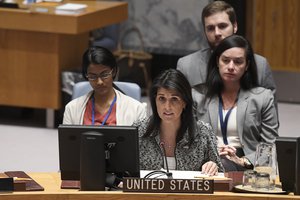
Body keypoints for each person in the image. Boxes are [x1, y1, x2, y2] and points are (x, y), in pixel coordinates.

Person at [192, 35, 279, 171]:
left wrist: (242, 160)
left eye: (238, 62)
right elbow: (188, 138)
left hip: (246, 163)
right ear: (217, 61)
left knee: (226, 165)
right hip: (205, 161)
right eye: (225, 60)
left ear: (247, 65)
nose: (231, 67)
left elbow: (269, 145)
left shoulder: (262, 97)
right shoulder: (198, 95)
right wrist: (213, 152)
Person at [176, 1, 276, 100]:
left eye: (222, 26)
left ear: (235, 26)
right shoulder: (187, 66)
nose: (217, 33)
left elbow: (269, 112)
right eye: (210, 28)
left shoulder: (260, 65)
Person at [133, 69, 223, 176]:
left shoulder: (203, 132)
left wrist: (212, 166)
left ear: (185, 102)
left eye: (174, 99)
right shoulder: (138, 130)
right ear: (154, 101)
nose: (167, 107)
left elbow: (220, 174)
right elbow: (124, 173)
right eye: (162, 98)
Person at [63, 46, 147, 125]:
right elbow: (67, 140)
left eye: (104, 75)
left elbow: (142, 140)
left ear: (113, 72)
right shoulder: (71, 108)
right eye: (93, 76)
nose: (99, 82)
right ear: (86, 76)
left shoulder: (137, 109)